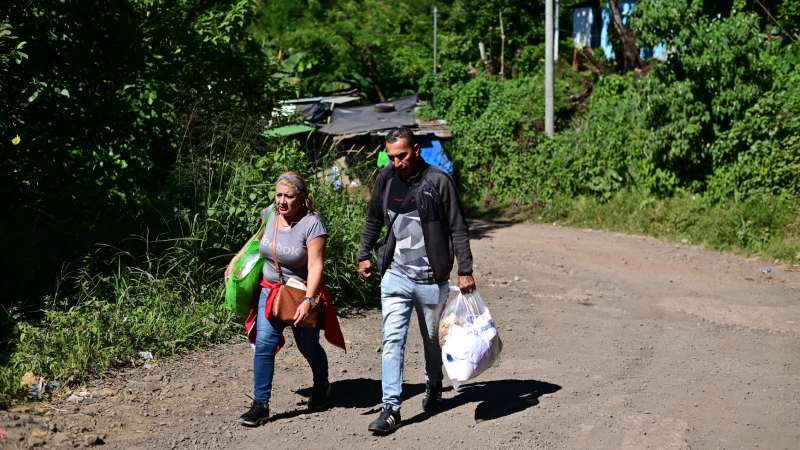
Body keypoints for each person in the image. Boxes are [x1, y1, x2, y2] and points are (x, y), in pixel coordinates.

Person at [357, 127, 476, 434]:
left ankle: (434, 385)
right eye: (391, 156)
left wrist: (465, 270)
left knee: (432, 340)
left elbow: (458, 227)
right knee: (392, 340)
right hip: (395, 276)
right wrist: (364, 253)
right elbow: (373, 219)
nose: (396, 162)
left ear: (416, 151)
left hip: (430, 280)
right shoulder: (385, 180)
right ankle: (391, 408)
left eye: (402, 155)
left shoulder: (439, 181)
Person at [226, 172, 345, 427]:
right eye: (278, 195)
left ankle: (322, 385)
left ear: (302, 198)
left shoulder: (313, 225)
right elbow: (258, 240)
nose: (282, 201)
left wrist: (310, 300)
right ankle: (260, 405)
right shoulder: (270, 213)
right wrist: (236, 259)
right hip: (269, 291)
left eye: (288, 196)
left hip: (300, 294)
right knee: (264, 344)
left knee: (308, 347)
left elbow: (316, 266)